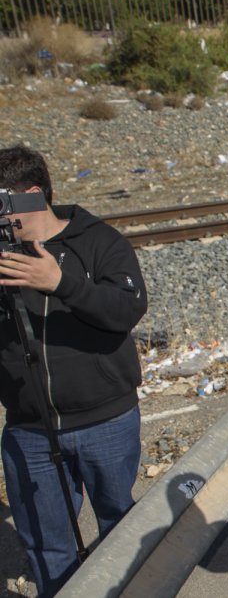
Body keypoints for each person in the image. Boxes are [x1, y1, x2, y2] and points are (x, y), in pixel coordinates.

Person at [0, 146, 148, 595]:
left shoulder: (99, 241)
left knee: (121, 529)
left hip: (105, 419)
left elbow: (127, 309)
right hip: (29, 427)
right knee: (47, 546)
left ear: (28, 195)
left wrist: (60, 284)